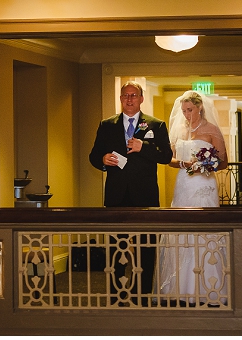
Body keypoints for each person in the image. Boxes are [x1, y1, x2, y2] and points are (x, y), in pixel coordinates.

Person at [88, 82, 171, 303]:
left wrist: (144, 147)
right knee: (116, 248)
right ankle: (116, 296)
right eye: (125, 95)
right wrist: (103, 160)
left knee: (146, 248)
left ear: (141, 99)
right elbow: (94, 155)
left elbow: (165, 155)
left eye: (134, 95)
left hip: (145, 196)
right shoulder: (107, 125)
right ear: (121, 98)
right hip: (116, 195)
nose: (129, 99)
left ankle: (143, 296)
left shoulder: (156, 124)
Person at [157, 90, 230, 306]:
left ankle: (211, 287)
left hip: (204, 184)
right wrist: (181, 164)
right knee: (182, 230)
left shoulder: (211, 129)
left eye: (190, 110)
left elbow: (223, 161)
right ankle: (180, 288)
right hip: (184, 183)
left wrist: (206, 166)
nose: (186, 114)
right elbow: (169, 158)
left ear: (199, 107)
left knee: (204, 231)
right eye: (183, 111)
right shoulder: (179, 130)